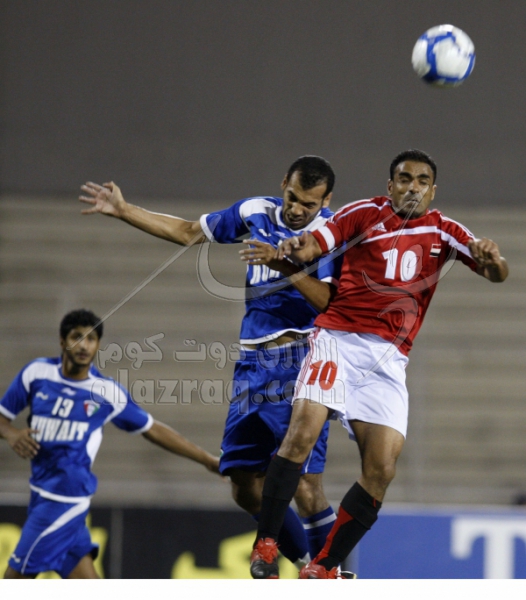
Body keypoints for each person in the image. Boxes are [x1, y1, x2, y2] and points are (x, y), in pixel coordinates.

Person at [245, 148, 509, 578]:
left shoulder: (445, 231)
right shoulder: (363, 213)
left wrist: (492, 258)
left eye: (422, 181)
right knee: (301, 435)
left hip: (388, 359)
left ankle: (323, 567)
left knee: (382, 468)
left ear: (433, 190)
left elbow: (498, 274)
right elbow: (316, 243)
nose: (413, 187)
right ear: (390, 186)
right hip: (337, 339)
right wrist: (296, 246)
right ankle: (266, 545)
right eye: (404, 179)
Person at [78, 156, 341, 568]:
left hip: (301, 361)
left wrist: (282, 264)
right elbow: (187, 232)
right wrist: (125, 211)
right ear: (283, 184)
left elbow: (328, 301)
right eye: (292, 197)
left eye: (308, 204)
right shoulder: (256, 211)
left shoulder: (332, 233)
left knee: (305, 485)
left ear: (325, 201)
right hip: (252, 364)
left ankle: (329, 575)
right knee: (242, 482)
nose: (296, 209)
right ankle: (310, 566)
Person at [0, 309, 220, 579]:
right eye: (77, 337)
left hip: (64, 501)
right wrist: (11, 433)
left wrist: (207, 460)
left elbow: (152, 429)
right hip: (40, 494)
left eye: (91, 339)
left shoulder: (105, 392)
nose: (84, 345)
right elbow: (2, 419)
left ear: (98, 345)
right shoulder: (37, 373)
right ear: (62, 341)